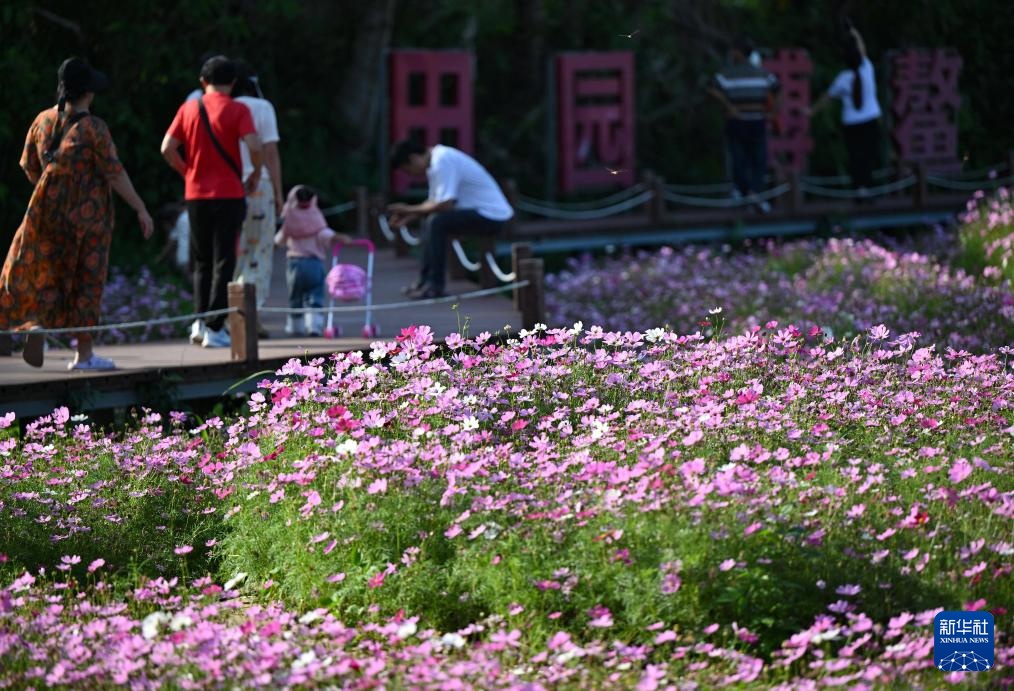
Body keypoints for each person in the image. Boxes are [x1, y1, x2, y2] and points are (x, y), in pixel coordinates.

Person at [0, 57, 153, 370]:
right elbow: (114, 173)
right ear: (89, 93)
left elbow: (29, 166)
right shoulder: (94, 128)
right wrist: (140, 208)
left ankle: (34, 326)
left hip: (44, 212)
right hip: (88, 220)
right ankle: (84, 356)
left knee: (41, 271)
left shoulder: (42, 120)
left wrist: (52, 191)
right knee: (87, 279)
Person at [161, 56, 263, 348]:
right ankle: (216, 328)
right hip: (229, 194)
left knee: (201, 260)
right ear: (232, 83)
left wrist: (187, 171)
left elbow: (167, 147)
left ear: (202, 82)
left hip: (195, 195)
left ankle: (199, 321)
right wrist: (254, 172)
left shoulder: (189, 108)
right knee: (224, 260)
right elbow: (255, 146)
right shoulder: (238, 109)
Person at [387, 140, 514, 299]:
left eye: (408, 170)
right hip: (481, 213)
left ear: (413, 158)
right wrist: (409, 216)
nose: (412, 174)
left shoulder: (442, 160)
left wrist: (408, 209)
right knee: (431, 221)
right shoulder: (435, 163)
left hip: (493, 216)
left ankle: (435, 285)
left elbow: (445, 204)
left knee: (437, 222)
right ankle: (425, 281)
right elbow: (434, 203)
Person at [231, 61, 283, 337]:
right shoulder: (262, 108)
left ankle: (229, 315)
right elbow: (270, 152)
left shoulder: (223, 108)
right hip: (260, 185)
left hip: (229, 188)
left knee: (233, 253)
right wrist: (279, 192)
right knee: (259, 253)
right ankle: (252, 315)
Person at [806, 22, 883, 194]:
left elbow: (827, 97)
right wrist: (855, 33)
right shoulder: (867, 69)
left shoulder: (843, 78)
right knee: (868, 154)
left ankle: (860, 187)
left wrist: (812, 111)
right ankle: (868, 186)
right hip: (870, 119)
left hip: (852, 123)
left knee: (855, 156)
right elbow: (862, 50)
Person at [708, 38, 781, 213]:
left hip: (753, 121)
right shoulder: (733, 74)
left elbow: (778, 89)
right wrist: (728, 106)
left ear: (739, 53)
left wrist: (771, 111)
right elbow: (711, 88)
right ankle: (744, 193)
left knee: (755, 159)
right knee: (744, 159)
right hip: (740, 121)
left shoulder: (759, 73)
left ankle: (753, 194)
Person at [274, 185, 351, 336]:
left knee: (295, 296)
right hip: (314, 263)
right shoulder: (316, 218)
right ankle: (314, 326)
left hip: (294, 264)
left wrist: (273, 246)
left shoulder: (289, 220)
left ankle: (296, 326)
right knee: (315, 295)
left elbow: (279, 240)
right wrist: (340, 237)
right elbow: (325, 234)